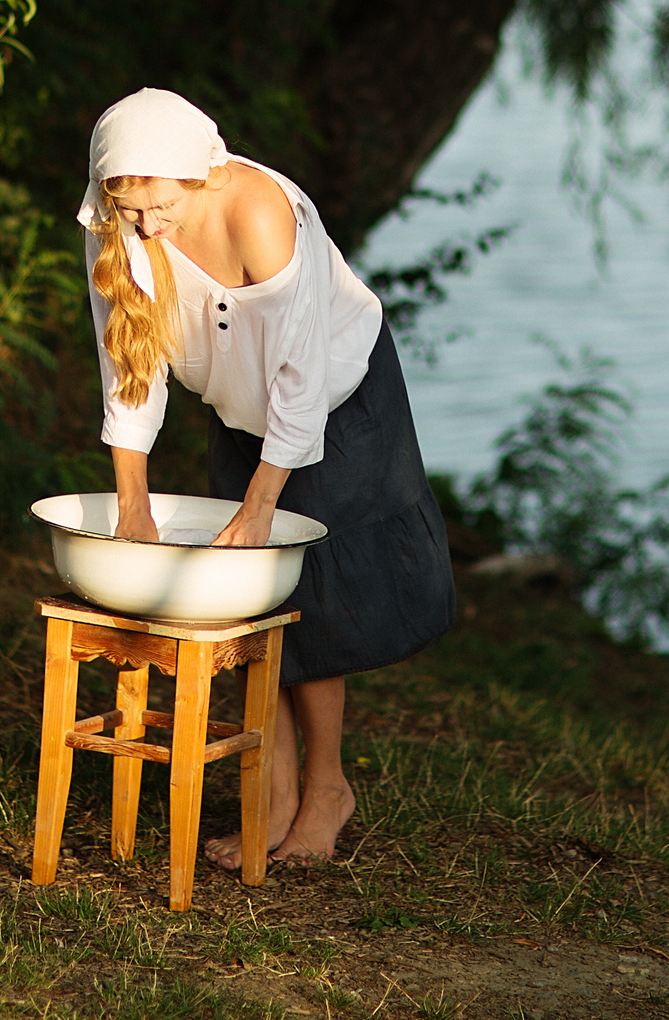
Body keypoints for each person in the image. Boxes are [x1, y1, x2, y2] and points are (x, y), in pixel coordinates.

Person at [78, 87, 456, 867]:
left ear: (197, 173)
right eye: (127, 204)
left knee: (311, 592)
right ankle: (274, 791)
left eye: (156, 203)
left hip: (337, 396)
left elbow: (299, 379)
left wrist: (259, 505)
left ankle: (327, 790)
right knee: (253, 596)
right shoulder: (118, 227)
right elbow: (129, 370)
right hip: (238, 405)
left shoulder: (257, 211)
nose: (145, 224)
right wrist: (133, 507)